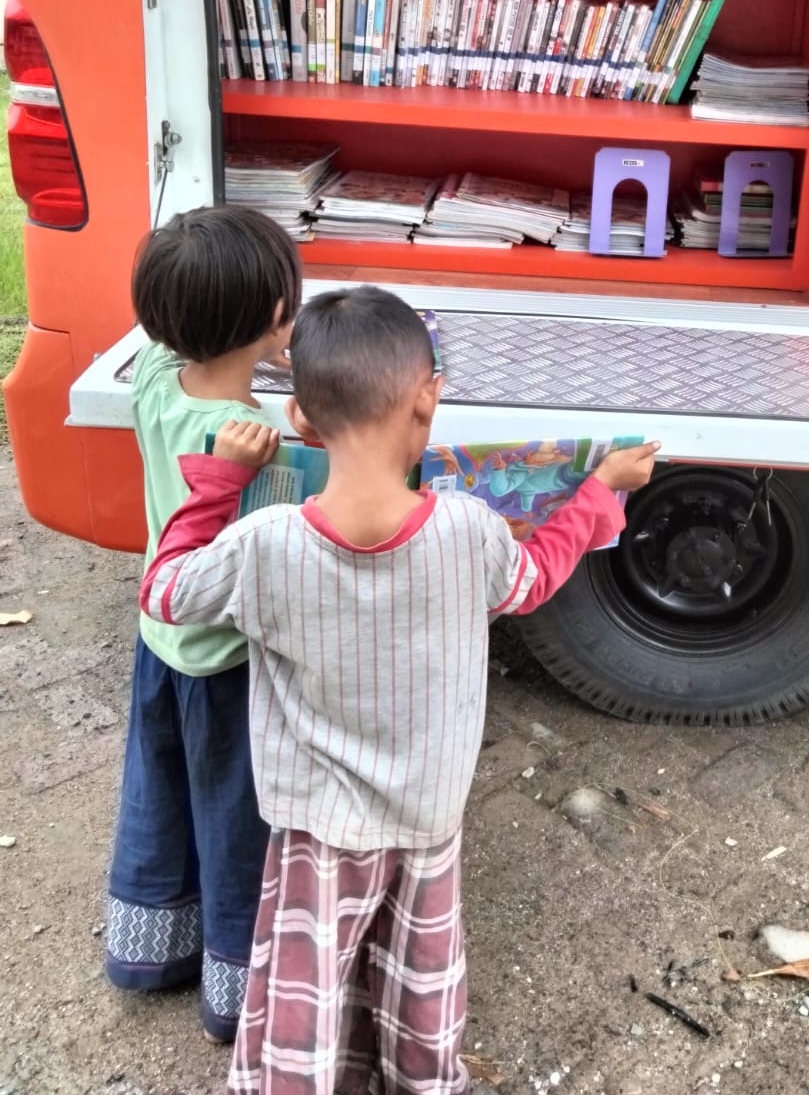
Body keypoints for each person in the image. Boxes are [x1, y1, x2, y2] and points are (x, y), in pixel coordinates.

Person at [138, 285, 659, 1093]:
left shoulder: (261, 545)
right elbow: (533, 580)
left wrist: (215, 483)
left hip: (315, 824)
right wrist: (599, 490)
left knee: (305, 996)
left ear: (300, 420)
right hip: (427, 813)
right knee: (420, 980)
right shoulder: (470, 531)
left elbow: (165, 593)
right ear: (428, 400)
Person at [105, 205, 301, 1043]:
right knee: (234, 819)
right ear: (276, 317)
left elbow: (166, 339)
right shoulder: (258, 449)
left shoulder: (155, 381)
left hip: (161, 648)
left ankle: (153, 947)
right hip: (226, 662)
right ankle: (235, 990)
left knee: (162, 791)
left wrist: (258, 343)